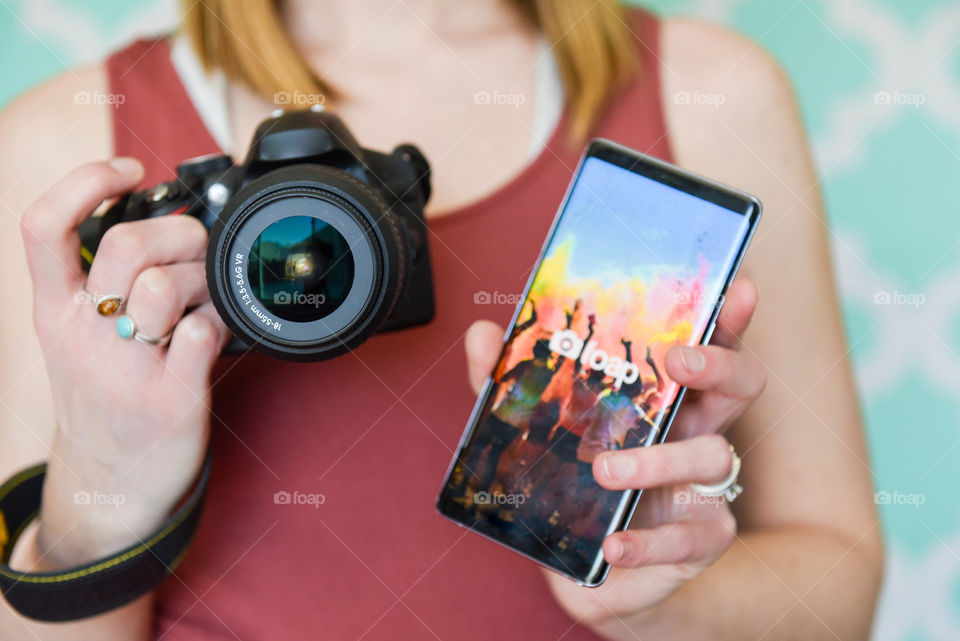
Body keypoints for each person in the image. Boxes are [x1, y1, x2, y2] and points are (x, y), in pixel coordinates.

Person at [0, 0, 883, 639]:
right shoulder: (63, 145)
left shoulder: (708, 95)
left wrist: (655, 594)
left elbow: (840, 580)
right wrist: (101, 491)